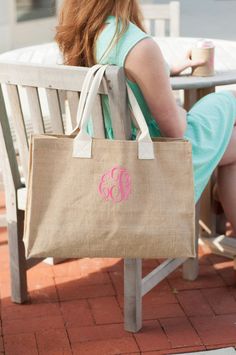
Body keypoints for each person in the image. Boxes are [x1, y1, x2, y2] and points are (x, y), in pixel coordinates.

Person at [55, 0, 236, 235]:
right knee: (228, 102)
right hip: (150, 164)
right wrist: (181, 110)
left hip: (107, 163)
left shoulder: (79, 34)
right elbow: (176, 131)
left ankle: (215, 197)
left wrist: (163, 69)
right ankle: (214, 200)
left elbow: (122, 66)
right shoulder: (136, 44)